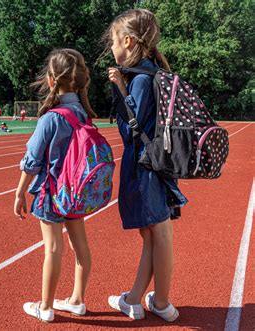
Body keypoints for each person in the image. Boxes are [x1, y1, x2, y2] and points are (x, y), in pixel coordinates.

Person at [102, 9, 188, 322]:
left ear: (127, 41)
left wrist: (120, 90)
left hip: (144, 165)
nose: (111, 47)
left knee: (159, 234)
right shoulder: (156, 72)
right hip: (161, 163)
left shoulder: (139, 79)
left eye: (113, 41)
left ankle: (162, 302)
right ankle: (135, 299)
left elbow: (131, 132)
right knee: (153, 234)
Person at [14, 48, 97, 323]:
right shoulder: (84, 115)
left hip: (52, 192)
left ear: (51, 80)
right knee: (80, 246)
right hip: (77, 191)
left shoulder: (51, 117)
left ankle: (45, 306)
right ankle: (77, 300)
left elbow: (32, 160)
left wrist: (19, 192)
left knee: (52, 248)